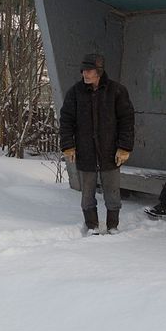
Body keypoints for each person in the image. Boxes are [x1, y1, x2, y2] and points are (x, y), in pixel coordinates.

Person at [59, 53, 135, 234]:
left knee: (112, 191)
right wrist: (68, 145)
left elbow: (127, 120)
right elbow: (66, 120)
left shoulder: (116, 91)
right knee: (87, 193)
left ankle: (113, 225)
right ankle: (92, 225)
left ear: (99, 71)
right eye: (83, 70)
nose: (85, 73)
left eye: (89, 70)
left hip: (110, 151)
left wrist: (124, 147)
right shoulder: (75, 92)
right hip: (85, 151)